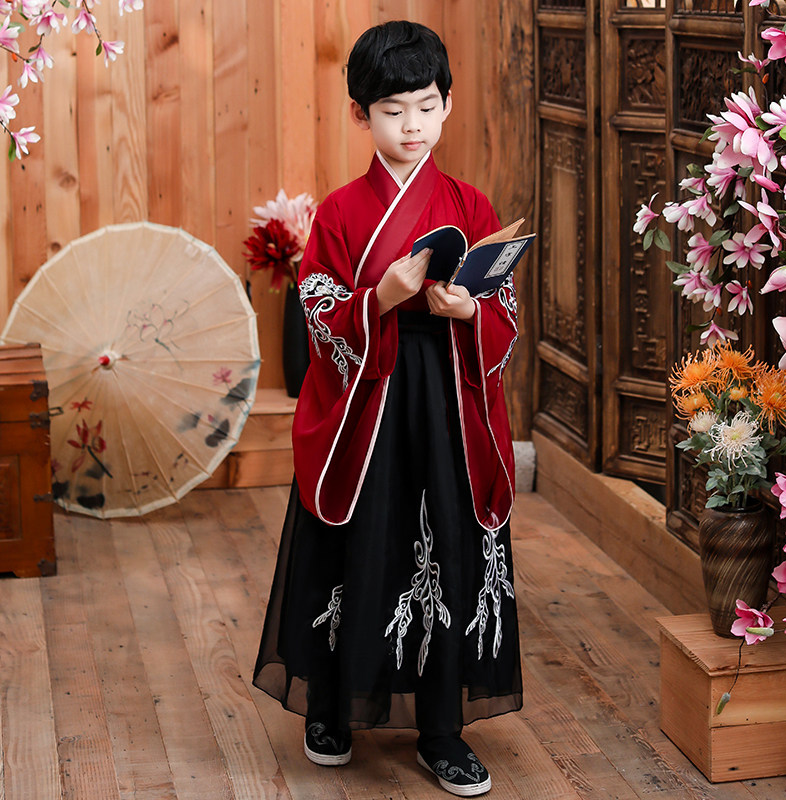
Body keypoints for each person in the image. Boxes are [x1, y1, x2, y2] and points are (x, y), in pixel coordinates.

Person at [253, 20, 522, 797]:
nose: (412, 127)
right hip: (366, 406)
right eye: (393, 110)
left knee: (447, 547)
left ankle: (442, 728)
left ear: (447, 105)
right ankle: (331, 707)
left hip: (445, 400)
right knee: (356, 541)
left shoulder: (470, 202)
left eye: (427, 107)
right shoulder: (341, 212)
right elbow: (318, 312)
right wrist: (379, 299)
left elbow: (503, 308)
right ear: (360, 114)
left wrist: (470, 311)